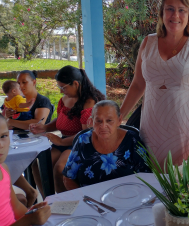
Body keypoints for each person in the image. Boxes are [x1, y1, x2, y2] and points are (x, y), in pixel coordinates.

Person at [120, 0, 189, 168]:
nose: (175, 15)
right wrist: (118, 116)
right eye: (170, 9)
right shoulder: (148, 43)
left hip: (186, 131)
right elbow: (138, 84)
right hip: (152, 129)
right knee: (151, 184)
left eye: (182, 9)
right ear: (162, 13)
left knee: (184, 186)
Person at [30, 65, 105, 196]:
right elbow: (61, 120)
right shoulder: (65, 99)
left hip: (78, 144)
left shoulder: (89, 102)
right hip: (63, 142)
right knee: (38, 164)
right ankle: (48, 198)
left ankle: (65, 203)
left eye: (63, 87)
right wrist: (45, 127)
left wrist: (59, 141)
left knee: (60, 169)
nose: (61, 91)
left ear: (76, 84)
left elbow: (85, 135)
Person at [62, 100, 150, 189]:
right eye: (98, 121)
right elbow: (68, 178)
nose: (103, 126)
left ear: (119, 120)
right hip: (90, 200)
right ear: (92, 121)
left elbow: (146, 177)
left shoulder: (132, 140)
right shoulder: (83, 140)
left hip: (126, 199)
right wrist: (83, 200)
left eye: (109, 120)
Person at [2, 70, 53, 208]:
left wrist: (11, 122)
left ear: (34, 82)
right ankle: (18, 198)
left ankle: (45, 200)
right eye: (19, 83)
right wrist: (6, 115)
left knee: (33, 164)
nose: (21, 86)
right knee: (6, 160)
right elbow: (3, 120)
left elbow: (37, 124)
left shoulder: (42, 101)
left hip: (36, 141)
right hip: (15, 140)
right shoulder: (13, 100)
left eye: (24, 82)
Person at [0, 114, 51, 226]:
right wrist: (29, 220)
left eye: (3, 136)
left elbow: (16, 207)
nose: (0, 145)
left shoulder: (3, 168)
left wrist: (31, 215)